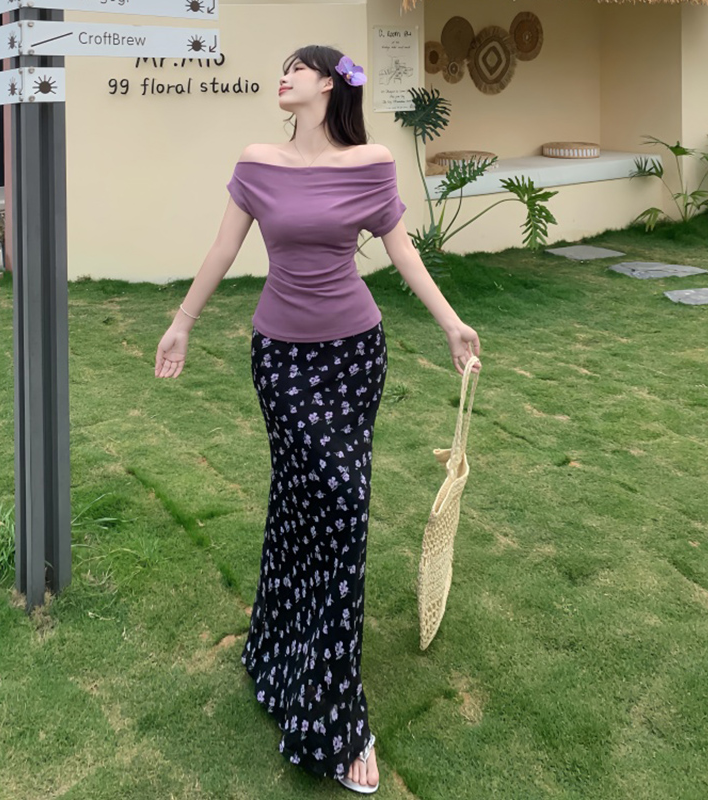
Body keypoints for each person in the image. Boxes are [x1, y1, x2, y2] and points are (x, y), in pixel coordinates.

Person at [155, 44, 482, 794]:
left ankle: (328, 703)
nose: (285, 75)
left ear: (329, 85)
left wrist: (451, 323)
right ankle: (292, 665)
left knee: (338, 506)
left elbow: (402, 252)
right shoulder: (258, 162)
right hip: (282, 360)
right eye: (285, 68)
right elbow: (224, 246)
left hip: (355, 356)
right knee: (312, 502)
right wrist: (181, 323)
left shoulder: (371, 163)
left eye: (298, 68)